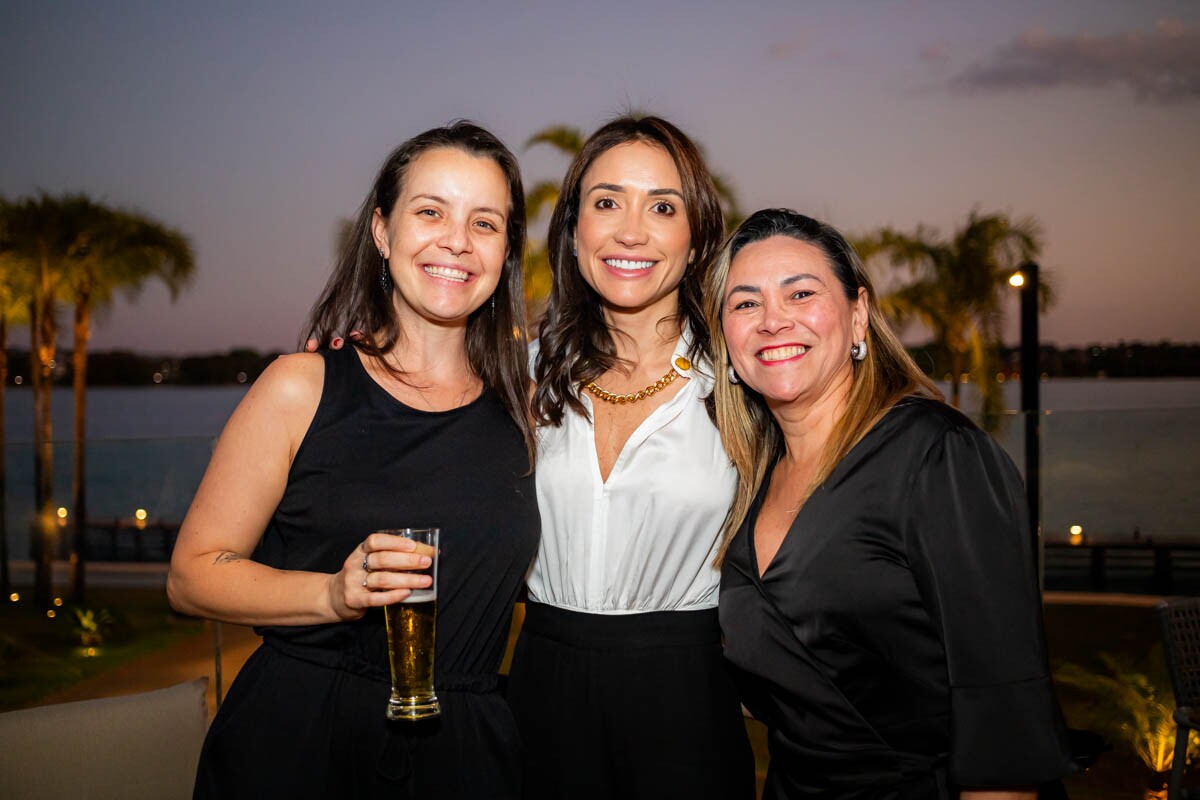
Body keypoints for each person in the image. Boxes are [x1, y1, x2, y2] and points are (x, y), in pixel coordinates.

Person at [167, 122, 539, 800]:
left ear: (505, 250)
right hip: (298, 744)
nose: (456, 240)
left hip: (465, 753)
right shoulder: (300, 385)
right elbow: (191, 577)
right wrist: (330, 595)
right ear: (381, 230)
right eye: (430, 212)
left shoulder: (529, 412)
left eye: (485, 223)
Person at [703, 208, 1074, 799]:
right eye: (745, 303)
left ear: (858, 317)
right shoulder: (751, 477)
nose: (773, 321)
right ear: (725, 338)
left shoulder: (938, 456)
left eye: (800, 293)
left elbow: (1004, 715)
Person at [505, 115, 755, 799]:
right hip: (539, 689)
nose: (631, 231)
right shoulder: (517, 379)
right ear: (574, 228)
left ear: (698, 234)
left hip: (688, 697)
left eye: (663, 207)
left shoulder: (743, 383)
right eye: (607, 201)